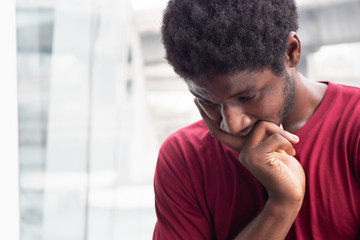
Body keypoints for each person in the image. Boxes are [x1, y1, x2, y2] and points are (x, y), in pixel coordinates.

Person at [153, 0, 360, 239]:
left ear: (291, 51)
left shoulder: (353, 125)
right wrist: (282, 205)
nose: (231, 125)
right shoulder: (183, 156)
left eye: (247, 96)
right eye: (208, 101)